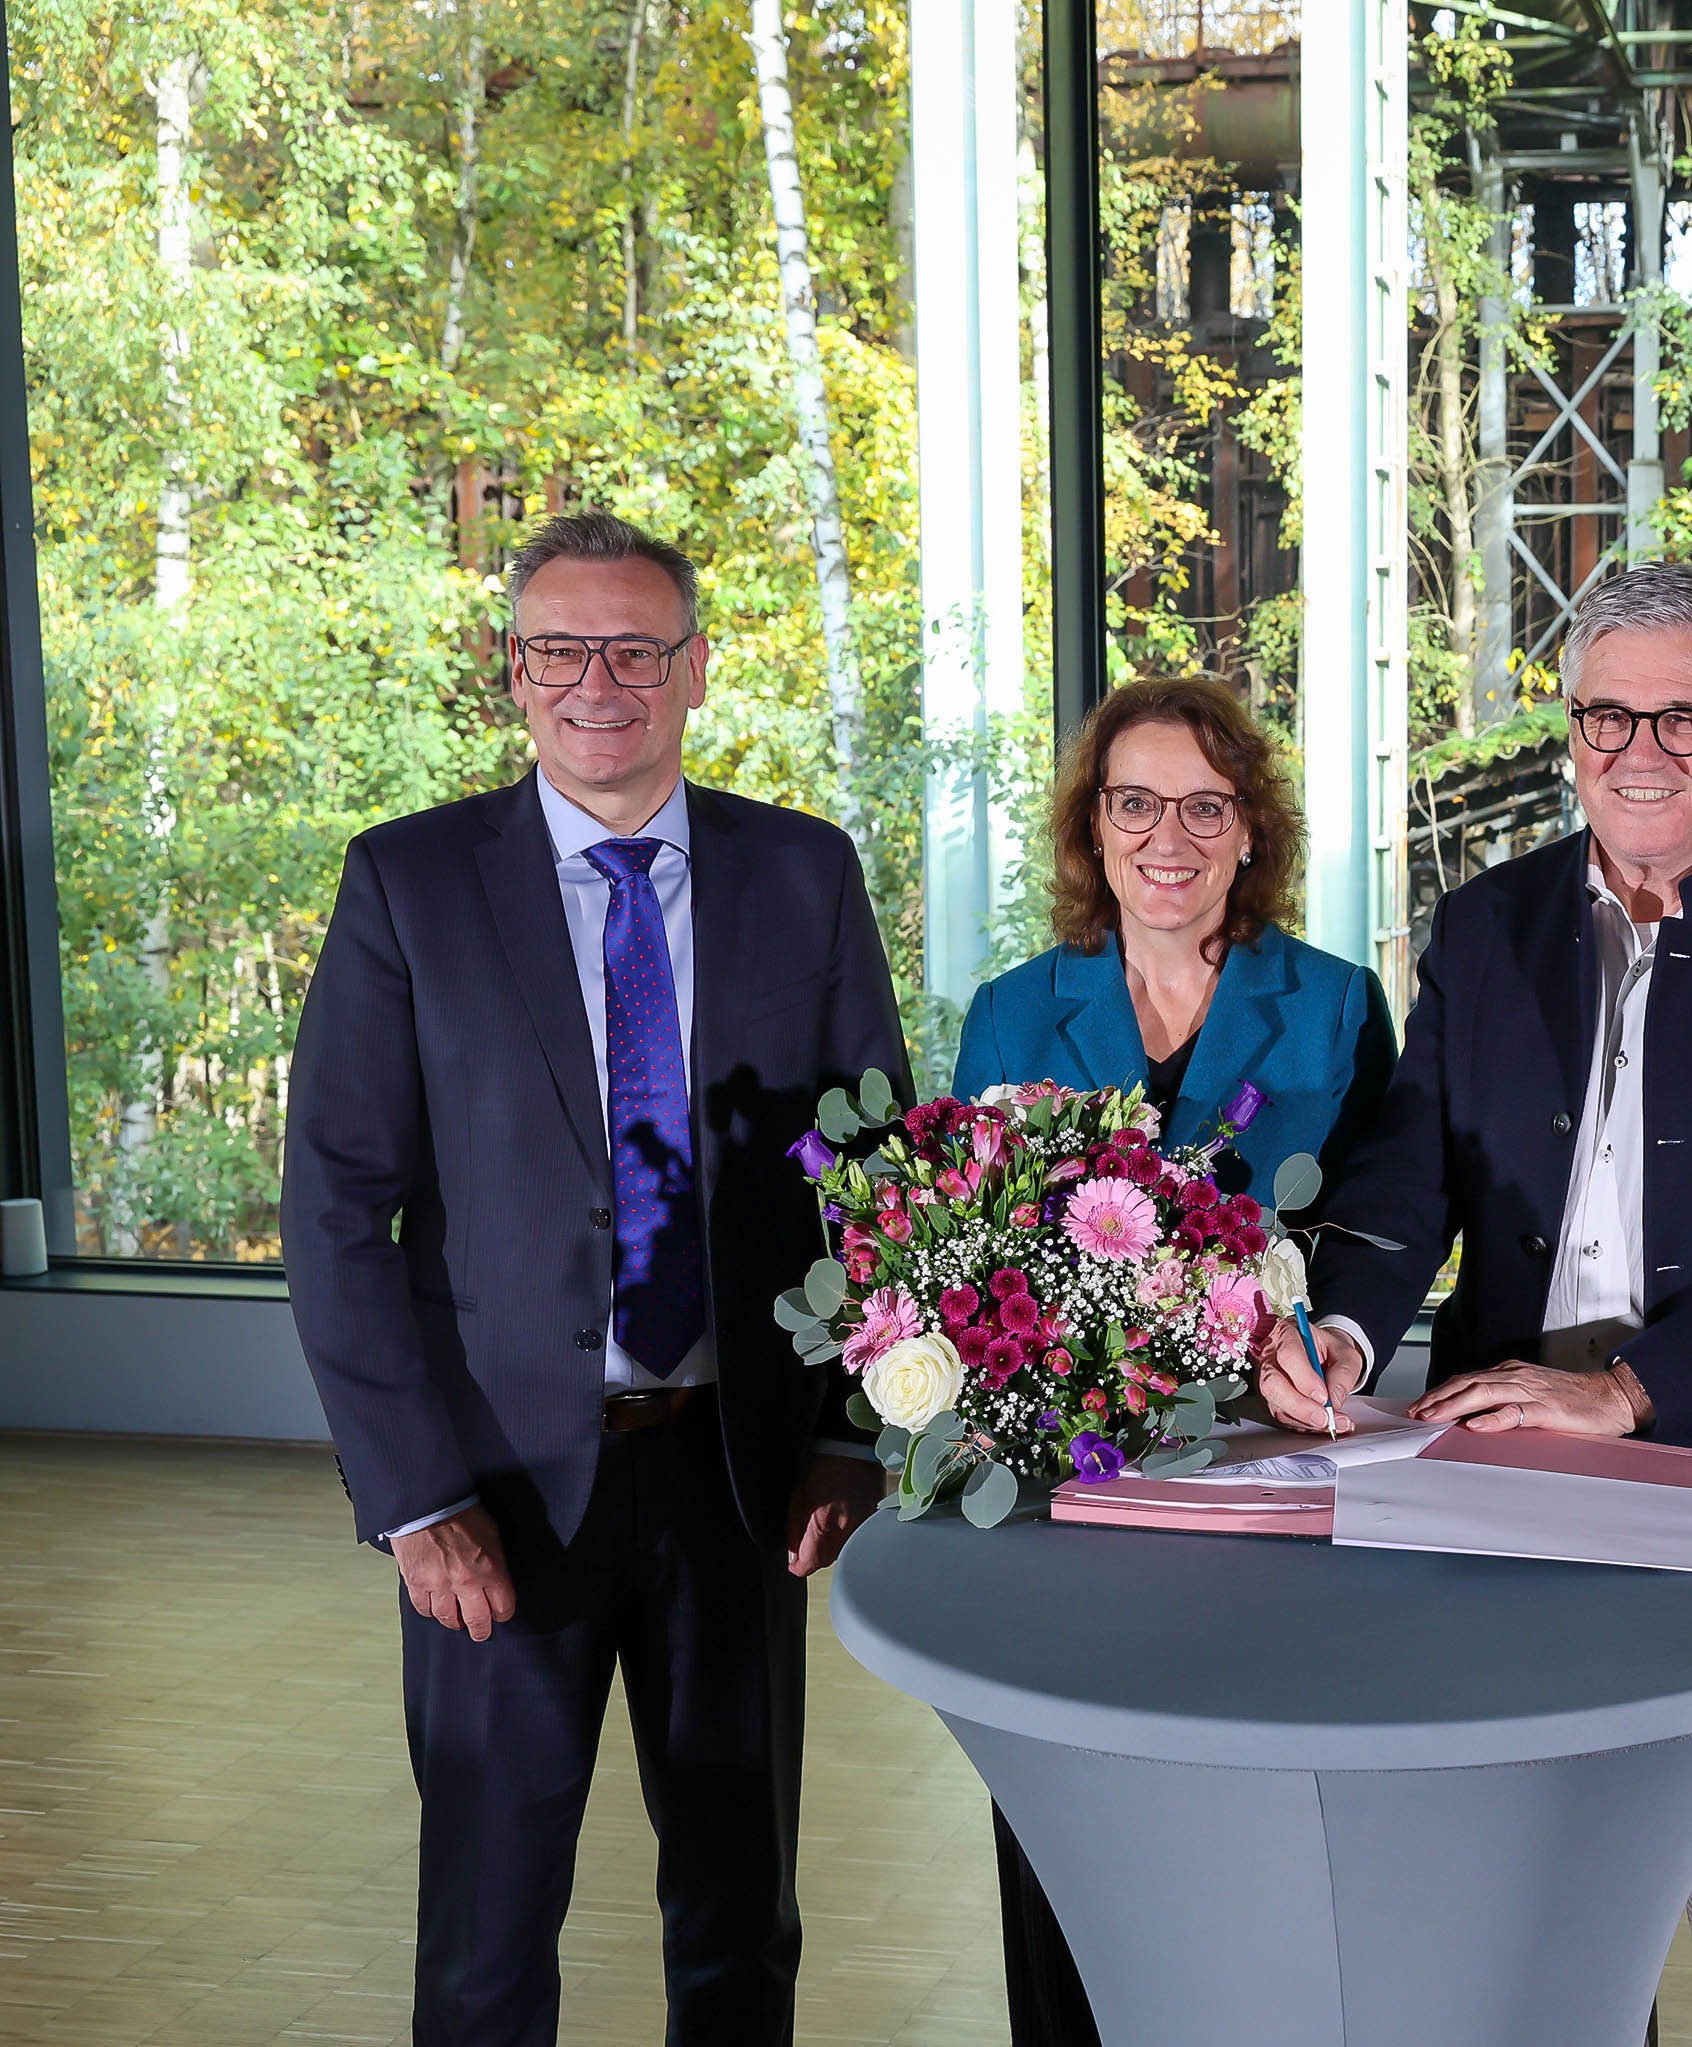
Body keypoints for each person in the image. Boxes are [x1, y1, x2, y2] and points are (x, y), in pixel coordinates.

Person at [1260, 561, 1692, 2047]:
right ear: (1569, 726)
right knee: (1542, 1934)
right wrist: (1354, 1331)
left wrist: (1628, 1394)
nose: (1638, 752)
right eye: (1605, 717)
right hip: (1501, 1467)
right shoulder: (1488, 924)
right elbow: (1405, 1172)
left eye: (1680, 720)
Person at [282, 511, 907, 2047]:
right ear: (514, 673)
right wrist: (416, 1500)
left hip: (738, 1481)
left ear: (696, 670)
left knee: (740, 1924)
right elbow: (332, 1212)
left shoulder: (804, 874)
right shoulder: (409, 885)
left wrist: (848, 1429)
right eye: (561, 648)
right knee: (489, 1946)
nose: (598, 681)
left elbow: (877, 1175)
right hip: (496, 1498)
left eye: (637, 647)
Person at [954, 673, 1397, 2046]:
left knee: (1256, 1834)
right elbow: (976, 1262)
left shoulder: (1332, 1008)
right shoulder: (1018, 1012)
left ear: (1251, 830)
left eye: (1207, 807)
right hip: (1062, 1492)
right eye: (1136, 803)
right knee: (1068, 1826)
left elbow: (1380, 1231)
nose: (1170, 838)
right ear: (1094, 828)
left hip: (1265, 1482)